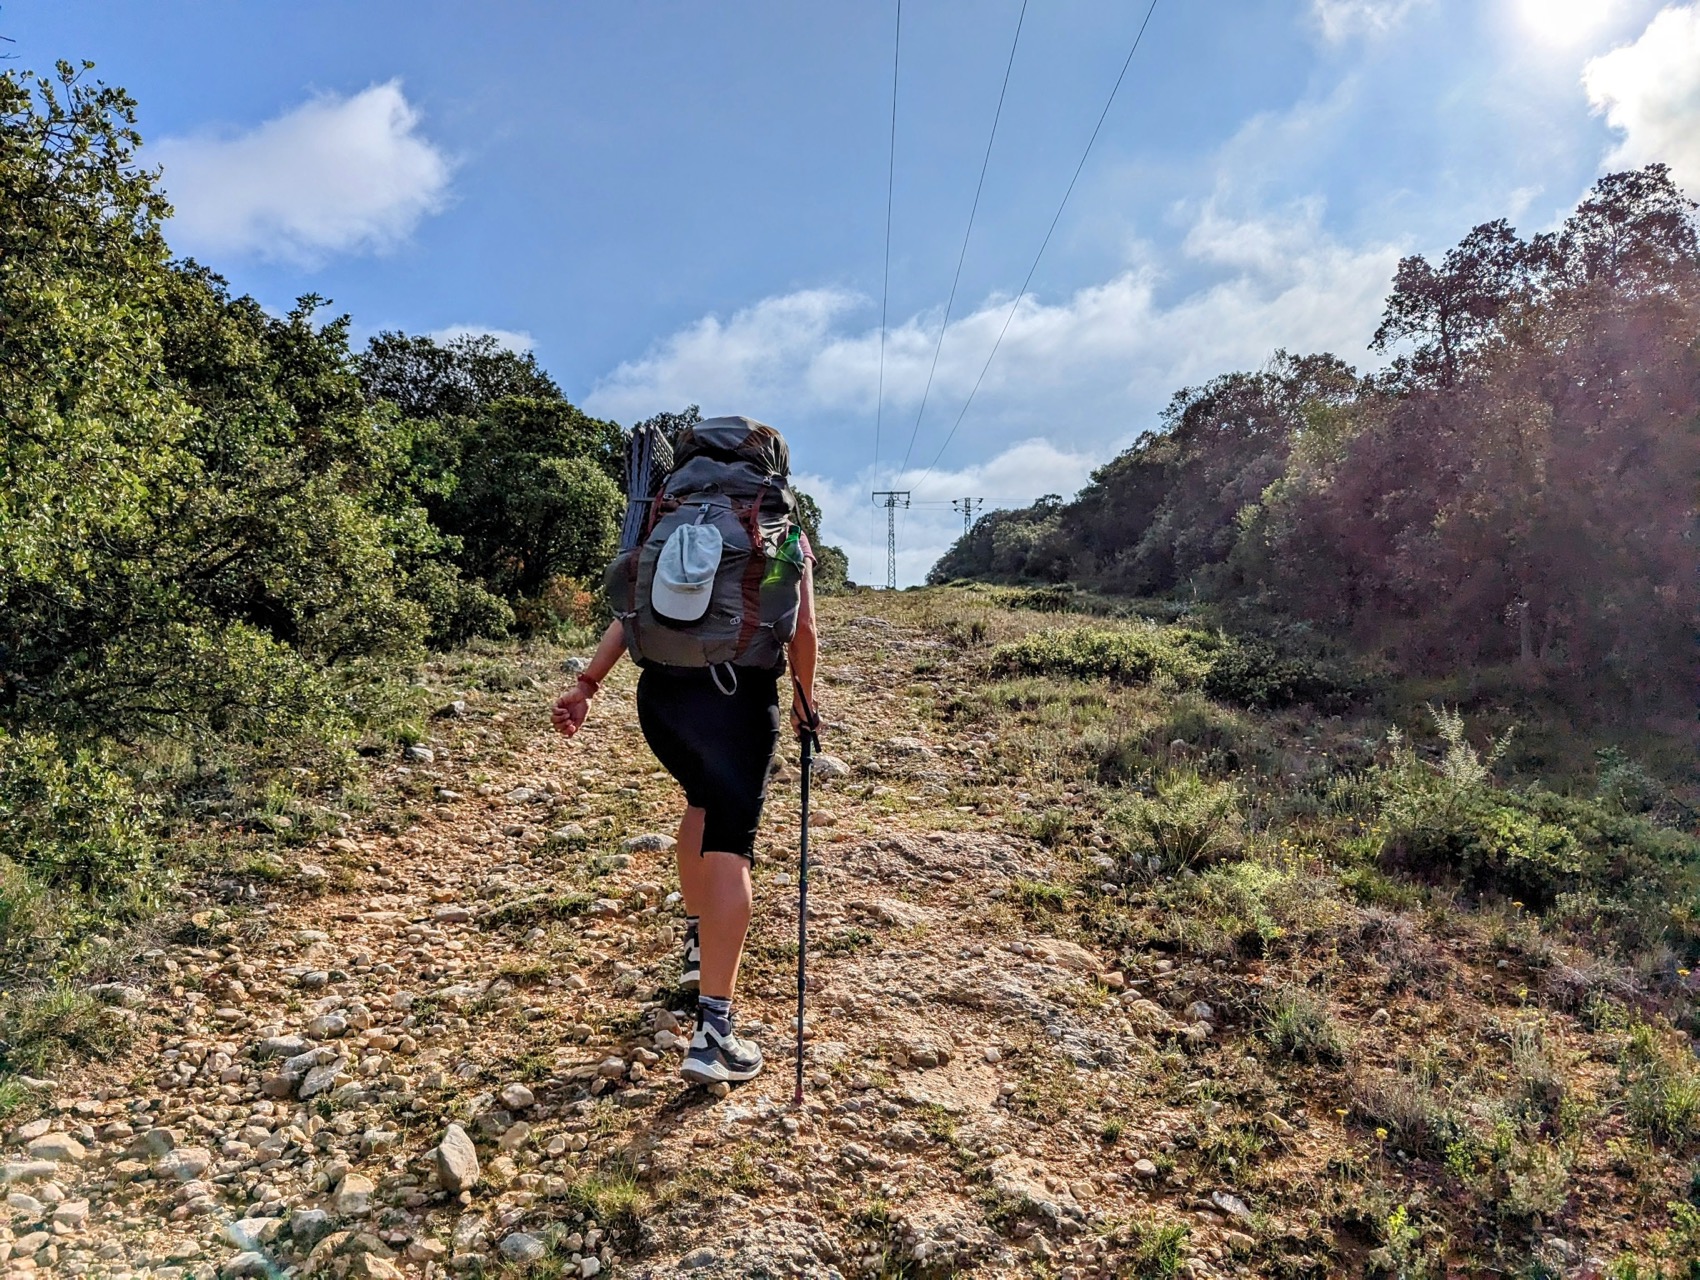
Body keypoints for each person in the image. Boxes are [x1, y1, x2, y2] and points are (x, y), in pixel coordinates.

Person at [550, 426, 819, 1087]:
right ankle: (713, 1035)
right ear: (771, 466)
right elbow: (802, 628)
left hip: (661, 702)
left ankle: (701, 946)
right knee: (731, 843)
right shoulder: (777, 526)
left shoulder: (667, 517)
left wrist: (587, 687)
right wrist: (806, 703)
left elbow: (630, 612)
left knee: (700, 802)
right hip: (735, 702)